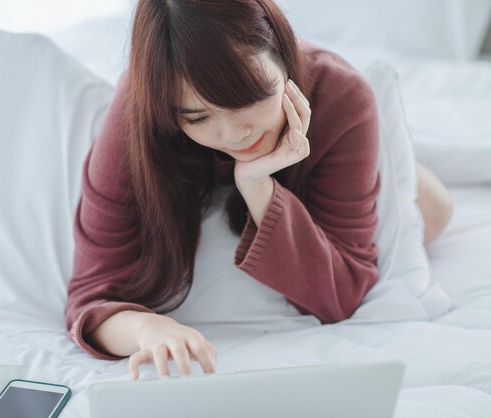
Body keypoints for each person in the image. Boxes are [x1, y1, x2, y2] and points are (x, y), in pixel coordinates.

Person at [65, 0, 453, 381]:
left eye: (248, 96)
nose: (235, 134)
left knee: (433, 215)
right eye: (198, 116)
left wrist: (256, 186)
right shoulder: (139, 114)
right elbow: (90, 294)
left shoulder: (340, 95)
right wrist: (145, 329)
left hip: (332, 138)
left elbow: (342, 294)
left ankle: (414, 159)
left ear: (283, 54)